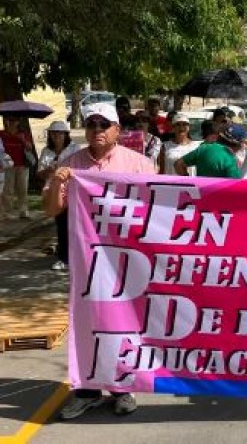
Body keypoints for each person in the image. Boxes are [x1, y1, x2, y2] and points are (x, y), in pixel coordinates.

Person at [42, 102, 155, 419]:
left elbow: (158, 209)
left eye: (104, 124)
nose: (97, 130)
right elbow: (51, 210)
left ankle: (122, 389)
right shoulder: (71, 163)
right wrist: (59, 183)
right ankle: (88, 391)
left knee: (122, 324)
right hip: (86, 263)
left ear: (117, 130)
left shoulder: (139, 164)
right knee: (87, 324)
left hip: (126, 261)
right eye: (91, 124)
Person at [36, 121, 82, 271]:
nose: (57, 136)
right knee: (61, 224)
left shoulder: (74, 149)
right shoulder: (46, 152)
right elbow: (39, 173)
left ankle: (76, 255)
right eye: (54, 133)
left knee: (75, 225)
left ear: (65, 135)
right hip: (54, 192)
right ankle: (63, 258)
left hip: (72, 190)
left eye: (60, 133)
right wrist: (48, 170)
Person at [175, 124, 247, 179]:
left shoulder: (204, 148)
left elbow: (178, 164)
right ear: (239, 144)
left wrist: (189, 182)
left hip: (200, 195)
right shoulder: (230, 160)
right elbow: (235, 187)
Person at [0, 115, 35, 219]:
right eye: (9, 120)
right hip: (7, 166)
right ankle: (6, 211)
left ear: (18, 122)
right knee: (8, 189)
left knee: (22, 189)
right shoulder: (2, 134)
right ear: (6, 121)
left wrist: (23, 140)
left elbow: (30, 148)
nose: (11, 122)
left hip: (22, 165)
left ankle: (23, 210)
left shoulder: (24, 133)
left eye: (14, 120)